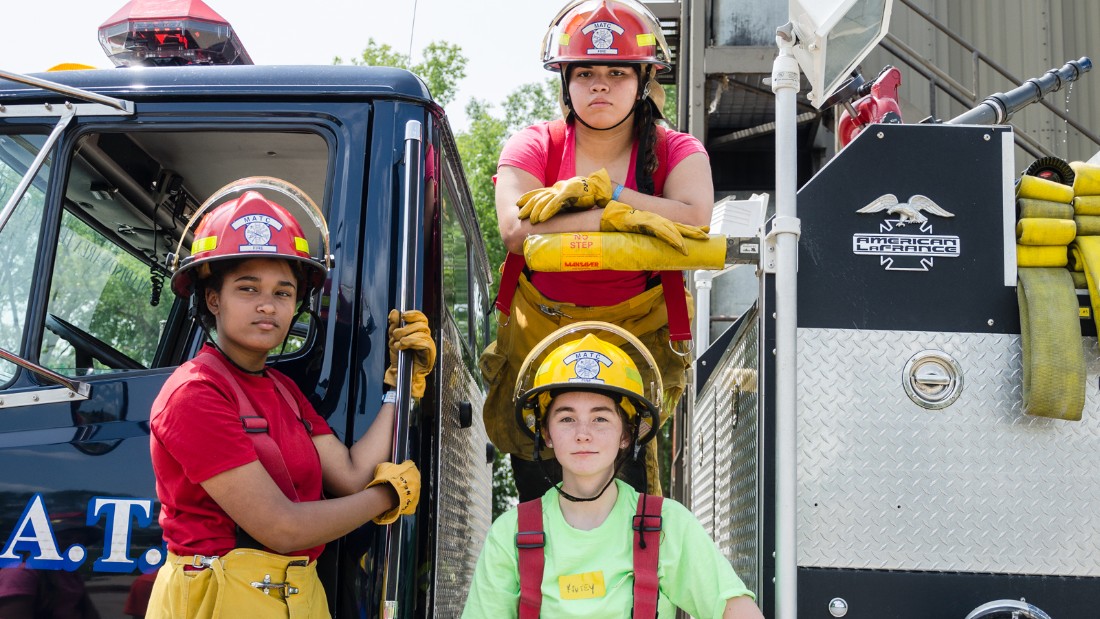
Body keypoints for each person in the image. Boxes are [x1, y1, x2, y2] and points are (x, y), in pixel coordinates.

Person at [145, 178, 435, 618]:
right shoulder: (195, 394)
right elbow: (281, 527)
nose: (268, 305)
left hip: (297, 597)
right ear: (212, 299)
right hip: (220, 600)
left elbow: (352, 475)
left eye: (283, 292)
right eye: (248, 288)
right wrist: (389, 497)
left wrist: (400, 390)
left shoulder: (283, 390)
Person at [480, 0, 714, 502]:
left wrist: (612, 193)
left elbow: (695, 216)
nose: (600, 84)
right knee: (543, 489)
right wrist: (609, 216)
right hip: (540, 331)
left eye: (617, 71)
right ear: (565, 81)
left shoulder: (677, 150)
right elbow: (517, 231)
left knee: (627, 493)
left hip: (638, 335)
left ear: (645, 78)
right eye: (584, 71)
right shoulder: (534, 144)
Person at [464, 322, 763, 618]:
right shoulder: (509, 536)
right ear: (546, 434)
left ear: (626, 435)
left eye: (601, 419)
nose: (583, 433)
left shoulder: (668, 527)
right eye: (567, 419)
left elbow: (738, 611)